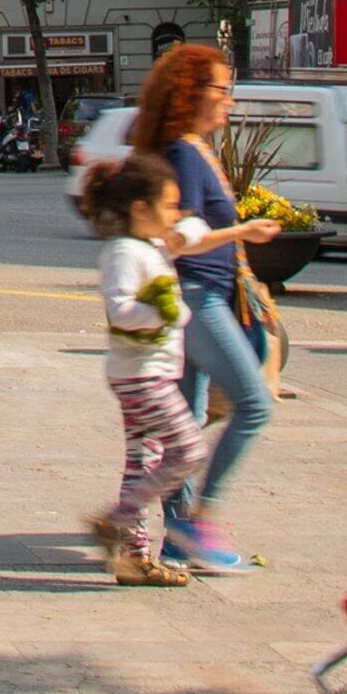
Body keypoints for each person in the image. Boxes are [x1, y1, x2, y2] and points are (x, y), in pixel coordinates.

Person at [126, 40, 282, 574]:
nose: (229, 101)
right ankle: (199, 521)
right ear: (193, 93)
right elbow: (181, 237)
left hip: (202, 297)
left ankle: (175, 535)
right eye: (222, 89)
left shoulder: (193, 150)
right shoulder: (183, 155)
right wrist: (243, 230)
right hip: (197, 298)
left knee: (188, 422)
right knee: (255, 405)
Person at [85, 152, 205, 586]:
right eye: (168, 206)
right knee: (189, 450)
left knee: (143, 460)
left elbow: (196, 226)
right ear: (140, 209)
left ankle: (134, 559)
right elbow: (119, 311)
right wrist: (164, 314)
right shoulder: (123, 252)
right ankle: (118, 517)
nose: (176, 214)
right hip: (141, 376)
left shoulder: (152, 244)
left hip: (150, 372)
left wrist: (185, 229)